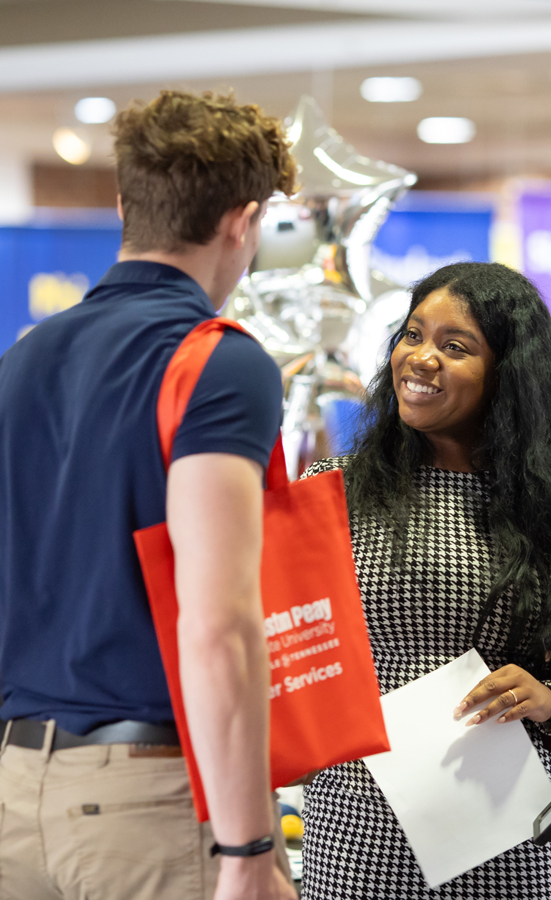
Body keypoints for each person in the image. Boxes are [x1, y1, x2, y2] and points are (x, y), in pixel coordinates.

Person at [0, 90, 297, 900]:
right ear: (242, 221)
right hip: (147, 801)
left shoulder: (23, 361)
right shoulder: (218, 361)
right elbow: (217, 621)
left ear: (126, 203)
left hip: (16, 794)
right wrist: (246, 848)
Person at [300, 262, 551, 900]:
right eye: (412, 335)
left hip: (512, 844)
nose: (421, 358)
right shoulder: (333, 489)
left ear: (509, 375)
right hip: (358, 837)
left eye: (454, 346)